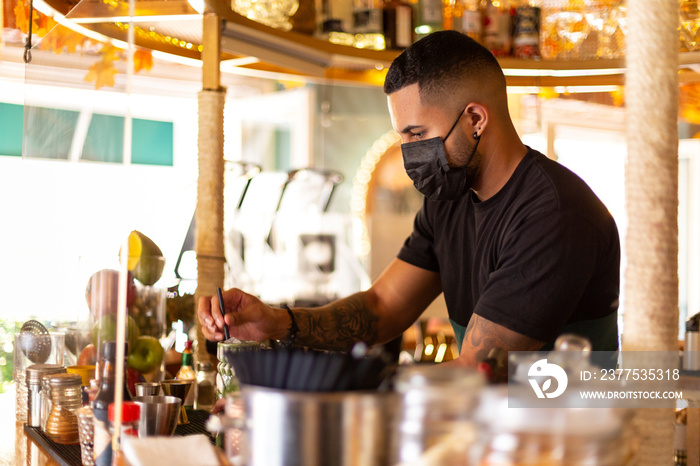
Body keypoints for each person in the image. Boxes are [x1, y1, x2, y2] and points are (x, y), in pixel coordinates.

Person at [198, 30, 620, 369]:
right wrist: (277, 322)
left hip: (571, 443)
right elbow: (381, 308)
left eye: (416, 134)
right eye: (402, 135)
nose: (407, 151)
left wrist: (326, 395)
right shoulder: (449, 197)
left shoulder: (554, 213)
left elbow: (479, 372)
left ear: (475, 119)